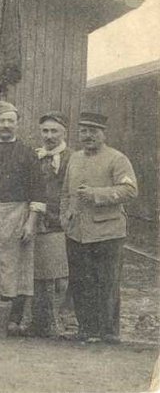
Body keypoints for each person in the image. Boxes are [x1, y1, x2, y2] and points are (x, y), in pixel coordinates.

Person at [0, 101, 46, 335]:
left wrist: (31, 221)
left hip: (17, 213)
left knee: (16, 266)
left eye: (10, 121)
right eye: (1, 121)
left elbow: (37, 190)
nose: (6, 125)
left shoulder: (28, 153)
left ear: (17, 124)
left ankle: (13, 319)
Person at [61, 112, 137, 344]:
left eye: (93, 131)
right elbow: (66, 192)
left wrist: (96, 194)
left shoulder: (117, 159)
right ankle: (87, 329)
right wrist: (65, 216)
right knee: (81, 281)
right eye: (84, 131)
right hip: (78, 232)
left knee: (106, 281)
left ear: (104, 134)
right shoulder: (74, 158)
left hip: (108, 232)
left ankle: (108, 332)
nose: (88, 136)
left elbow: (130, 191)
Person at [32, 111, 73, 337]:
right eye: (45, 131)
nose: (49, 136)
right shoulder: (35, 157)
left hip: (61, 223)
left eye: (54, 131)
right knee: (39, 276)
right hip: (38, 222)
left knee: (60, 278)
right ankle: (41, 323)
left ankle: (60, 321)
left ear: (64, 133)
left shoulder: (72, 158)